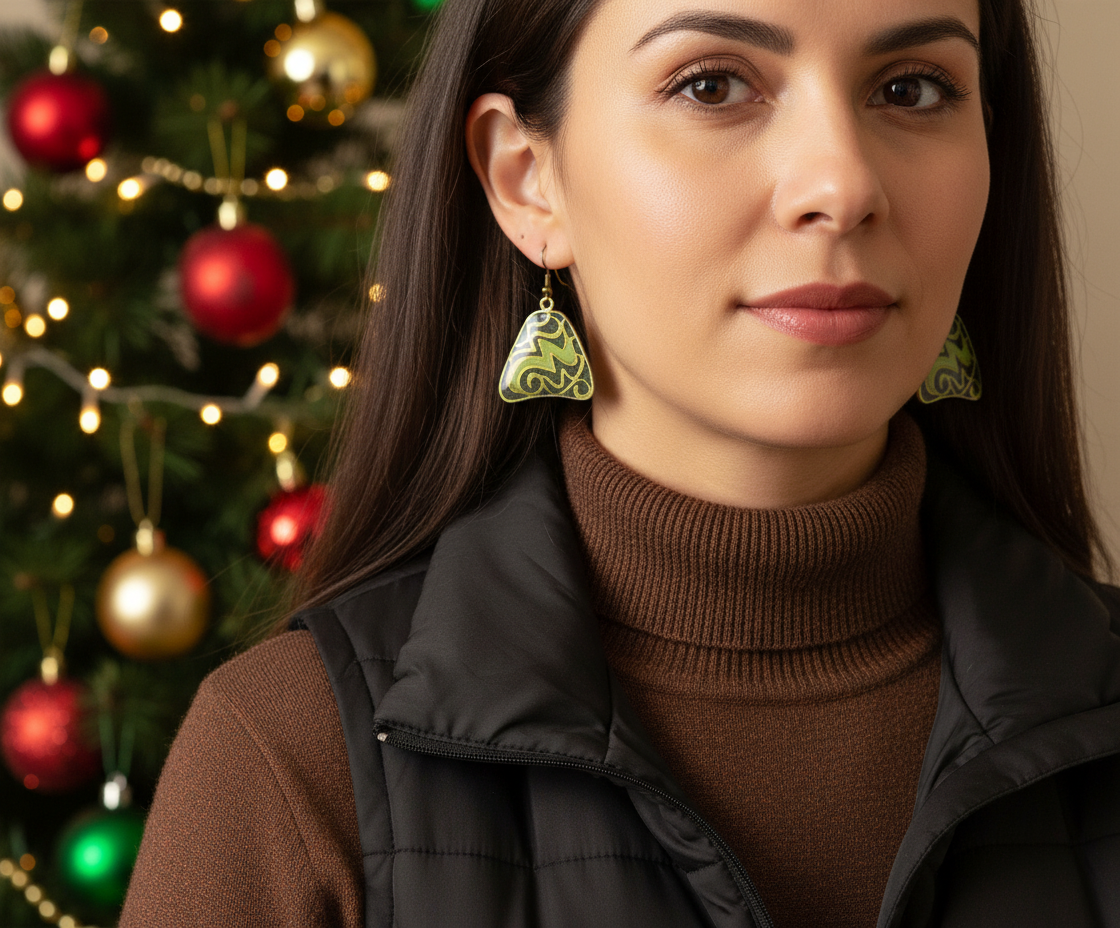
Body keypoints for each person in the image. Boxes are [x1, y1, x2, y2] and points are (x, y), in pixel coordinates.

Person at [120, 0, 1120, 925]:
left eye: (912, 88)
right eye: (712, 85)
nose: (844, 185)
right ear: (525, 179)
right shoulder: (288, 760)